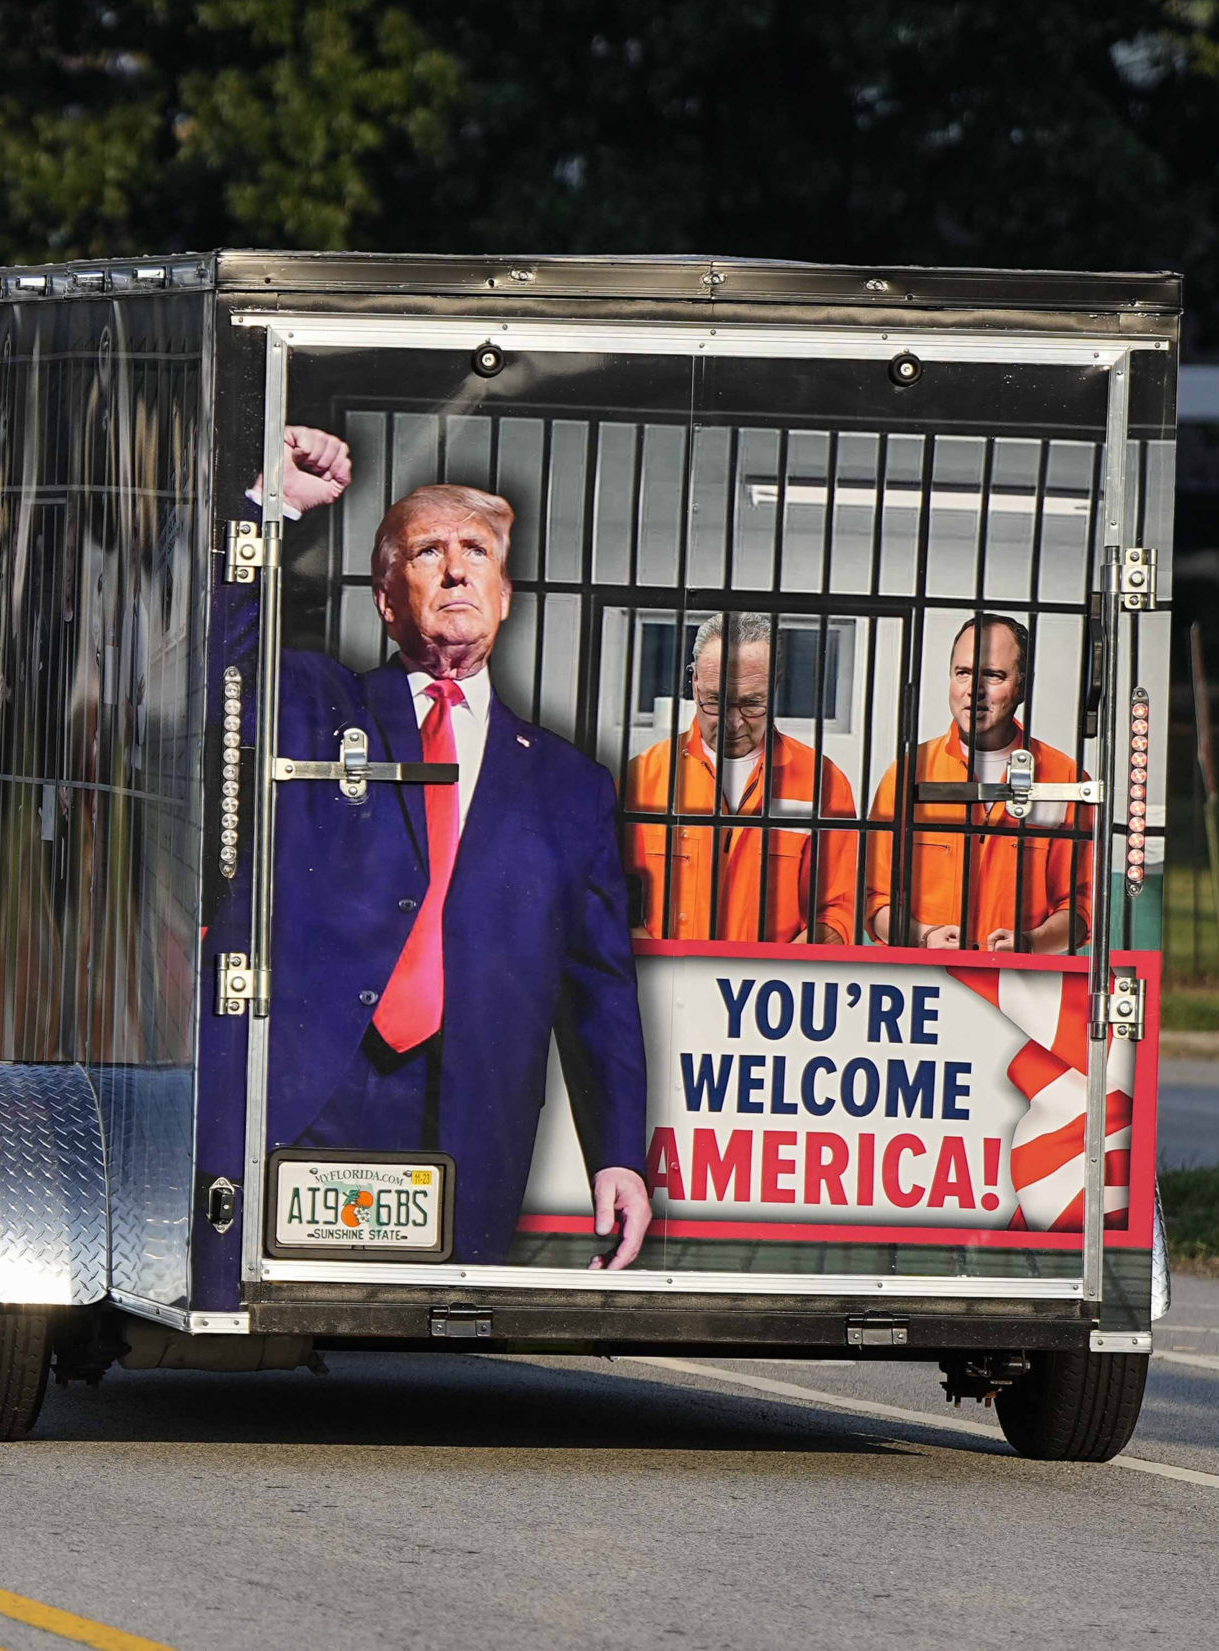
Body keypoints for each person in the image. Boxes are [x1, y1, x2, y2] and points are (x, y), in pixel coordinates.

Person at [230, 426, 651, 1269]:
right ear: (388, 599)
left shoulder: (571, 785)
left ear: (503, 595)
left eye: (478, 553)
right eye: (428, 551)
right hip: (318, 1095)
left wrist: (619, 1154)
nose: (457, 568)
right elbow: (214, 658)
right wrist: (268, 507)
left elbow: (598, 983)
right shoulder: (319, 704)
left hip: (475, 1108)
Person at [621, 612, 859, 943]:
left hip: (768, 990)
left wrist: (765, 975)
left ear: (774, 686)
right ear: (694, 682)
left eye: (752, 704)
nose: (734, 723)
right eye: (716, 701)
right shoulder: (640, 779)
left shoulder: (824, 784)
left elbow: (836, 912)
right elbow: (609, 901)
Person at [865, 613, 1091, 952]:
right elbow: (875, 899)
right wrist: (924, 936)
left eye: (993, 675)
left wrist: (1030, 943)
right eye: (963, 673)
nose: (974, 690)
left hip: (1018, 986)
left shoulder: (1065, 779)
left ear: (1022, 686)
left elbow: (1082, 906)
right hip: (924, 984)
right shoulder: (908, 773)